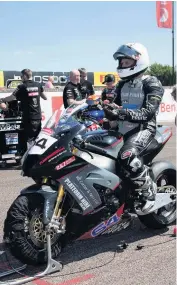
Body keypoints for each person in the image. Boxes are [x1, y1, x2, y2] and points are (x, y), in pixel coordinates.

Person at [103, 43, 164, 213]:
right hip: (123, 129)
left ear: (139, 60)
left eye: (126, 62)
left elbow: (148, 112)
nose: (122, 65)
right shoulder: (122, 84)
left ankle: (149, 192)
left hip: (144, 129)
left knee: (126, 156)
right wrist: (106, 110)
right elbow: (115, 106)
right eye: (121, 62)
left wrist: (121, 113)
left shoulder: (151, 82)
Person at [0, 69, 47, 146]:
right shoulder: (38, 85)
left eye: (21, 76)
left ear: (25, 76)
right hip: (38, 116)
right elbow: (45, 97)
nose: (21, 78)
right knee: (37, 137)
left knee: (29, 139)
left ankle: (29, 156)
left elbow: (12, 97)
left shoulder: (22, 86)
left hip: (28, 117)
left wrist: (2, 100)